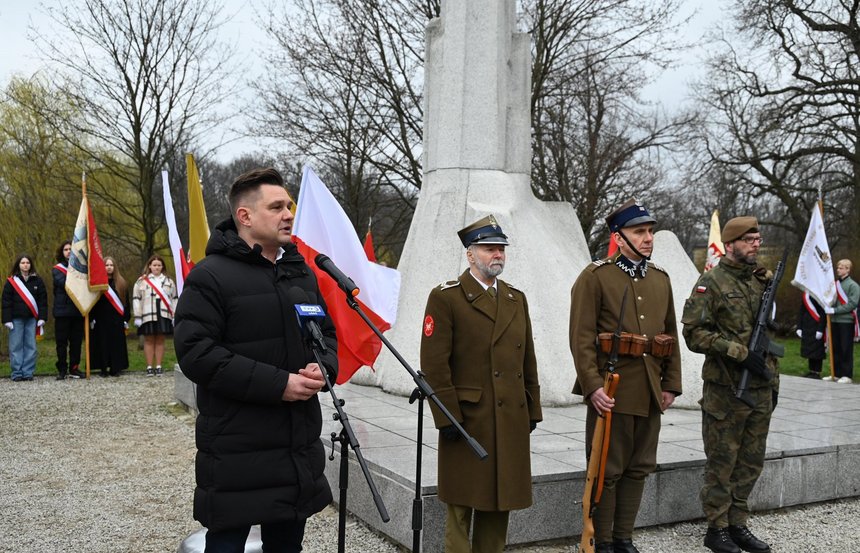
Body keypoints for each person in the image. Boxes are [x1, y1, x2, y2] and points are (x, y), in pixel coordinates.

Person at [174, 167, 337, 553]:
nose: (288, 214)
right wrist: (279, 384)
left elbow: (325, 334)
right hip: (237, 449)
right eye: (277, 206)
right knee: (227, 546)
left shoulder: (300, 273)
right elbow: (197, 353)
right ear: (244, 216)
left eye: (290, 205)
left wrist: (323, 366)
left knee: (286, 547)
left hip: (294, 447)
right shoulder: (209, 277)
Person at [420, 215, 542, 553]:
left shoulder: (516, 299)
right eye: (490, 249)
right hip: (467, 419)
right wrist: (446, 417)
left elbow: (526, 358)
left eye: (501, 248)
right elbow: (434, 363)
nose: (498, 255)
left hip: (509, 417)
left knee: (499, 502)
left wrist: (531, 408)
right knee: (461, 504)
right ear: (470, 254)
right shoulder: (447, 297)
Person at [569, 199, 682, 553]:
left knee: (640, 466)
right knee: (608, 467)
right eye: (640, 232)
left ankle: (623, 538)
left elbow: (670, 336)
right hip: (612, 389)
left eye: (650, 231)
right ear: (619, 237)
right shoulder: (596, 276)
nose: (649, 238)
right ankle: (601, 541)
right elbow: (581, 338)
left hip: (649, 389)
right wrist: (591, 387)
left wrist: (671, 385)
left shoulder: (660, 279)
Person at [682, 216, 778, 553]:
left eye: (758, 238)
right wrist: (737, 352)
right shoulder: (711, 282)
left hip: (761, 388)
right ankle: (717, 528)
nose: (756, 243)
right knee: (722, 463)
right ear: (732, 243)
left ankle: (738, 524)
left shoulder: (759, 281)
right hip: (726, 390)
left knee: (751, 462)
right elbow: (692, 334)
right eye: (749, 239)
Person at [2, 254, 48, 381]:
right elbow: (6, 302)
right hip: (16, 319)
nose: (25, 265)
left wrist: (42, 318)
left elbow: (42, 301)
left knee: (31, 346)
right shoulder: (11, 282)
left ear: (31, 264)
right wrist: (7, 319)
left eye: (27, 262)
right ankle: (17, 372)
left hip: (31, 319)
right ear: (18, 265)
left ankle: (28, 372)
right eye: (23, 263)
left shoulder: (38, 281)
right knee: (15, 346)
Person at [132, 254, 178, 376]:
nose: (156, 267)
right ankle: (149, 367)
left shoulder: (169, 281)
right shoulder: (141, 281)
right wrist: (137, 316)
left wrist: (175, 315)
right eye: (154, 265)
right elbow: (136, 298)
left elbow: (174, 299)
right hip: (147, 313)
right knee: (148, 339)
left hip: (164, 313)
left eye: (159, 265)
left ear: (162, 267)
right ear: (150, 266)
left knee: (160, 339)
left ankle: (158, 366)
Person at [89, 257, 130, 377]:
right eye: (106, 265)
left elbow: (126, 302)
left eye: (111, 265)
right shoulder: (98, 283)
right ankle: (103, 368)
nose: (109, 267)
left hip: (116, 319)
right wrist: (92, 317)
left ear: (115, 267)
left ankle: (115, 367)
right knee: (102, 343)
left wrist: (126, 318)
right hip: (101, 318)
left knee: (116, 343)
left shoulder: (121, 283)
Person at [52, 240, 86, 379]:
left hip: (77, 310)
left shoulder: (82, 268)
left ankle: (74, 368)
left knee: (76, 342)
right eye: (66, 249)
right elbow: (65, 283)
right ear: (62, 252)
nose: (68, 252)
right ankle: (62, 369)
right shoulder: (57, 269)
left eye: (71, 249)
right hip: (62, 312)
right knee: (61, 342)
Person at [824, 259, 859, 383]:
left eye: (842, 268)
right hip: (834, 320)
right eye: (838, 267)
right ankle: (836, 373)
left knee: (845, 348)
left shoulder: (853, 285)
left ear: (848, 269)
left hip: (846, 321)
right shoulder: (835, 284)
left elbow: (852, 304)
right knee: (835, 347)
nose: (838, 269)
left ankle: (847, 374)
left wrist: (835, 310)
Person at [796, 292, 826, 379]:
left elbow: (823, 312)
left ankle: (817, 372)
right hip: (807, 325)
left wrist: (820, 329)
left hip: (816, 324)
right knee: (809, 349)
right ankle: (812, 370)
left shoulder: (819, 293)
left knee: (817, 349)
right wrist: (799, 327)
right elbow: (802, 310)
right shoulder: (806, 294)